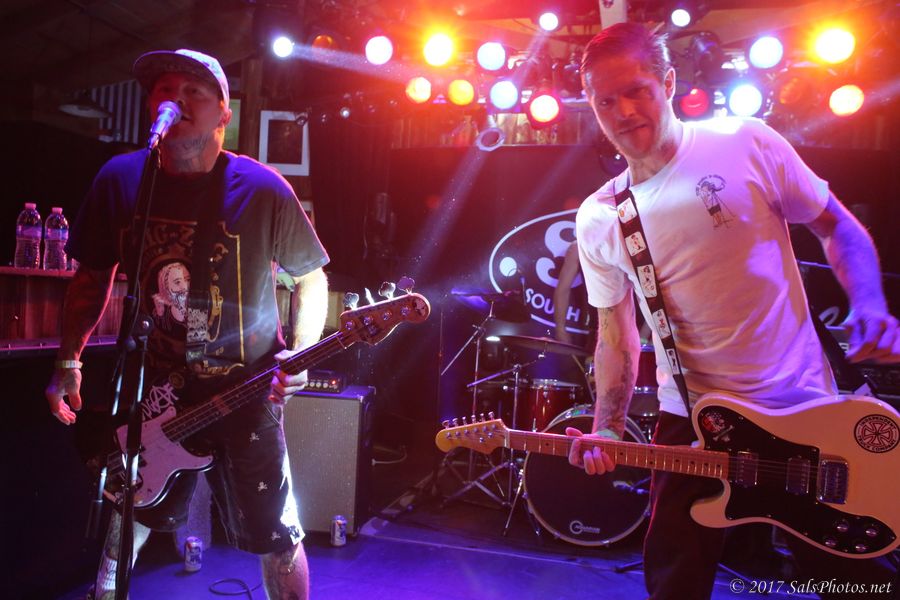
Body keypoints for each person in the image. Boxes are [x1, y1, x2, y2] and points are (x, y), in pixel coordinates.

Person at [566, 23, 899, 599]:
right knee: (674, 584)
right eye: (606, 101)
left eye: (637, 90)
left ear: (669, 82)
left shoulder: (744, 142)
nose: (624, 112)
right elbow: (616, 336)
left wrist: (870, 303)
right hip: (691, 418)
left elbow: (836, 226)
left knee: (853, 581)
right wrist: (607, 429)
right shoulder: (601, 216)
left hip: (801, 404)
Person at [44, 49, 329, 600]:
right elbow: (91, 277)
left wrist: (301, 349)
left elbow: (311, 277)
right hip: (158, 388)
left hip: (247, 388)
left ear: (224, 113)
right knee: (128, 514)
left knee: (276, 532)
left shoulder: (263, 188)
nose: (174, 99)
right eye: (163, 89)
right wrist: (67, 360)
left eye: (193, 91)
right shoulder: (122, 179)